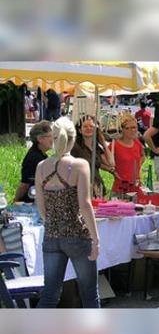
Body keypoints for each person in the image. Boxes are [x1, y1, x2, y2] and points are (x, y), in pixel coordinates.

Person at [34, 117, 100, 308]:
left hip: (52, 236)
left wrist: (52, 222)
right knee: (89, 296)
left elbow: (41, 206)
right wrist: (96, 239)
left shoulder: (41, 167)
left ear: (53, 138)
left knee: (49, 296)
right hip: (78, 235)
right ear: (73, 137)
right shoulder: (80, 165)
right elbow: (85, 205)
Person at [71, 115, 116, 199]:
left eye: (91, 126)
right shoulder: (75, 147)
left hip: (98, 187)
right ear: (80, 130)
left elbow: (111, 163)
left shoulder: (96, 148)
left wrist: (103, 143)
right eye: (85, 126)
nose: (89, 128)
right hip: (83, 188)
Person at [15, 121, 52, 203]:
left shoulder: (41, 155)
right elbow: (24, 185)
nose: (53, 139)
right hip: (30, 202)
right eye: (50, 136)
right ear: (40, 139)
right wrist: (15, 201)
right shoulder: (34, 158)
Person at [109, 113, 145, 195]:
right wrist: (112, 171)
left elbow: (143, 155)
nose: (132, 130)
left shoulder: (137, 143)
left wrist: (137, 165)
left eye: (134, 127)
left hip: (136, 187)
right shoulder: (115, 145)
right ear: (122, 129)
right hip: (120, 188)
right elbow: (101, 161)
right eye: (127, 128)